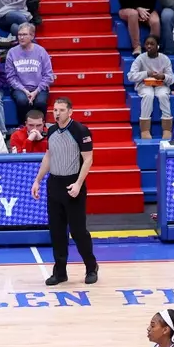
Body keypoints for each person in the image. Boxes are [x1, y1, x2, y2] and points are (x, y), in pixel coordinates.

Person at [31, 98, 98, 286]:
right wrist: (37, 180)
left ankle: (91, 267)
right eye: (55, 110)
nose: (57, 113)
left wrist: (78, 184)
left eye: (61, 110)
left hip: (72, 185)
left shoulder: (80, 131)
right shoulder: (51, 130)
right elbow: (48, 156)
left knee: (78, 232)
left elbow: (88, 159)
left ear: (70, 112)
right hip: (54, 185)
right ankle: (60, 272)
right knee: (57, 232)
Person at [129, 34, 174, 140]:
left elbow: (172, 78)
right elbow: (131, 76)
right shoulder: (140, 59)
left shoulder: (165, 59)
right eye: (147, 44)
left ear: (158, 46)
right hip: (144, 84)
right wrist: (146, 73)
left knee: (163, 95)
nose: (149, 46)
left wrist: (163, 76)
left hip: (161, 84)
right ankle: (145, 130)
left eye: (152, 44)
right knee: (148, 95)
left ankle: (167, 130)